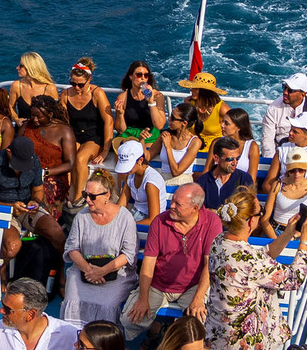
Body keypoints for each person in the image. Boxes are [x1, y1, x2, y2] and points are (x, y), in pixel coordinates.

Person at [205, 191, 299, 350]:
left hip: (218, 331)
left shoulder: (220, 241)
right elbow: (295, 278)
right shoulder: (249, 259)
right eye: (260, 213)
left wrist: (287, 234)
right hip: (242, 345)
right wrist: (305, 242)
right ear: (251, 221)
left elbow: (261, 258)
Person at [123, 181, 220, 326]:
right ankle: (154, 334)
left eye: (178, 204)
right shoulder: (159, 221)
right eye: (172, 200)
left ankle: (181, 345)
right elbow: (148, 263)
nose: (171, 206)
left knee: (201, 321)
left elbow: (208, 264)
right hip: (158, 285)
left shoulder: (212, 222)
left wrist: (198, 299)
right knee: (129, 320)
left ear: (195, 208)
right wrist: (143, 299)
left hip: (193, 286)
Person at [0, 137, 66, 294]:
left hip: (28, 207)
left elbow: (38, 191)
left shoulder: (33, 160)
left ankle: (61, 275)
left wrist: (35, 202)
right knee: (12, 248)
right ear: (9, 152)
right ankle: (2, 269)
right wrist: (10, 208)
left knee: (58, 235)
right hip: (1, 209)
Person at [61, 169, 138, 324]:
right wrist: (89, 270)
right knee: (73, 300)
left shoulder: (125, 218)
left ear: (107, 196)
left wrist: (102, 271)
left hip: (115, 273)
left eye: (92, 196)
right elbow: (72, 248)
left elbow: (129, 254)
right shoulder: (81, 217)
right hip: (84, 270)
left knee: (107, 304)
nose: (88, 200)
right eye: (85, 195)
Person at [258, 152, 307, 257]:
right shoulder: (277, 185)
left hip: (299, 234)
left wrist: (297, 235)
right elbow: (264, 219)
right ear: (287, 170)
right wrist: (278, 241)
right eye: (293, 170)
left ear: (306, 168)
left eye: (301, 170)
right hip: (275, 231)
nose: (297, 174)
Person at [60, 58, 114, 185]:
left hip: (94, 136)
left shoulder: (97, 94)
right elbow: (63, 122)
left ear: (89, 80)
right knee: (67, 158)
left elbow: (109, 121)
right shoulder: (65, 95)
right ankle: (66, 195)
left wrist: (105, 150)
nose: (77, 88)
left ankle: (79, 198)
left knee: (80, 159)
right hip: (74, 136)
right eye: (73, 84)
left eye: (80, 84)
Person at [20, 95, 77, 200]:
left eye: (39, 116)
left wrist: (43, 172)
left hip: (51, 177)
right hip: (25, 173)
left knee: (40, 195)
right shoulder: (26, 127)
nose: (35, 119)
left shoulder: (64, 131)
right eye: (32, 116)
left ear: (50, 115)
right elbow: (16, 149)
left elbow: (70, 164)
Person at [196, 133, 257, 216]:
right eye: (230, 159)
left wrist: (217, 213)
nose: (235, 163)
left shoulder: (245, 179)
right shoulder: (203, 181)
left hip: (236, 228)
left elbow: (250, 209)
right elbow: (198, 212)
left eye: (237, 158)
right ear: (217, 158)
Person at [115, 137, 166, 235]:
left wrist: (125, 226)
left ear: (140, 160)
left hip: (150, 226)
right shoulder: (130, 175)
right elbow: (121, 205)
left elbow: (153, 219)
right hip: (136, 217)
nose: (126, 169)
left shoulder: (151, 182)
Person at [115, 60, 165, 140]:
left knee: (145, 152)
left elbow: (159, 125)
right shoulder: (123, 97)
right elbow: (120, 130)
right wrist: (120, 114)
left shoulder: (157, 96)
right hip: (129, 135)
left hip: (149, 135)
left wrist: (151, 102)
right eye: (139, 75)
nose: (142, 78)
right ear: (130, 76)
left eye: (146, 75)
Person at [156, 105, 201, 187]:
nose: (169, 119)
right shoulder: (166, 135)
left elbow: (176, 172)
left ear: (184, 123)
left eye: (173, 118)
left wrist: (168, 147)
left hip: (183, 185)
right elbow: (147, 156)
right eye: (170, 116)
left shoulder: (195, 142)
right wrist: (141, 140)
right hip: (162, 182)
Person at [8, 53, 60, 121]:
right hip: (23, 128)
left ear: (30, 67)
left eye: (21, 66)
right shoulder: (16, 86)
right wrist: (16, 119)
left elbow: (56, 114)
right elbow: (10, 107)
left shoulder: (50, 88)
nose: (17, 68)